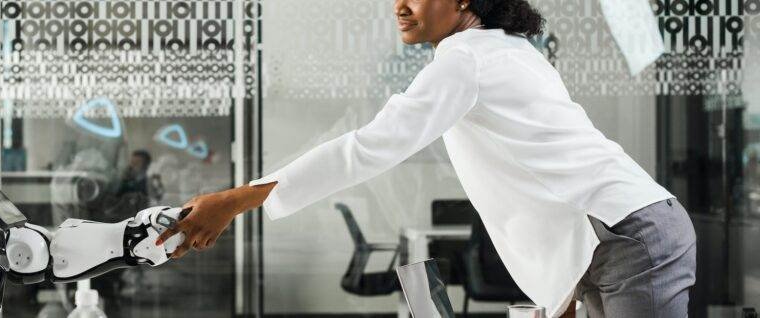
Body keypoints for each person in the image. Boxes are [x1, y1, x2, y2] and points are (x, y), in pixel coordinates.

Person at [155, 0, 697, 317]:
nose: (399, 3)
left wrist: (234, 199)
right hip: (626, 230)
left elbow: (369, 148)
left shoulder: (466, 58)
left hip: (629, 234)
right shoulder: (506, 50)